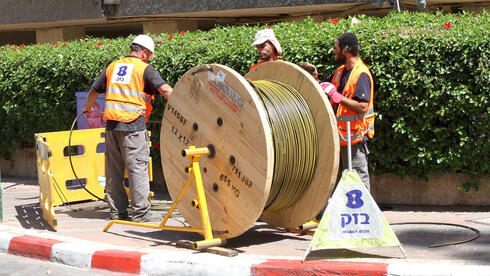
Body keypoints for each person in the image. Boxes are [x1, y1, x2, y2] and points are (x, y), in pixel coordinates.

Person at [83, 34, 173, 222]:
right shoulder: (144, 69)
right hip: (133, 126)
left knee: (114, 171)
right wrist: (183, 105)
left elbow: (94, 90)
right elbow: (165, 90)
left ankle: (118, 212)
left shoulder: (113, 67)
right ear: (145, 53)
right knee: (137, 169)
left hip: (112, 126)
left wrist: (88, 107)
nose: (148, 58)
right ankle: (141, 214)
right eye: (149, 55)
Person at [320, 32, 375, 191]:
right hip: (340, 138)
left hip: (354, 139)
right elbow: (324, 85)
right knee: (338, 183)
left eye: (335, 47)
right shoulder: (340, 72)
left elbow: (362, 107)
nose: (333, 50)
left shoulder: (361, 74)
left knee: (358, 181)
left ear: (346, 50)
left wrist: (337, 97)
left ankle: (365, 214)